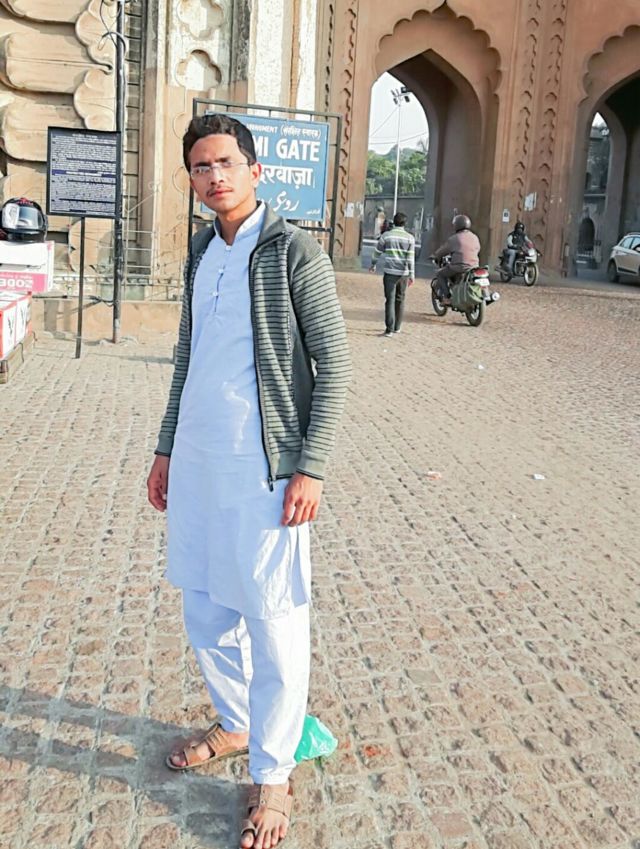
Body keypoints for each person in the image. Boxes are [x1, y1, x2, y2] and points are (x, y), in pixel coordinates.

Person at [146, 113, 350, 849]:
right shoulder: (203, 251)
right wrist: (165, 448)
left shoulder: (294, 252)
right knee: (204, 610)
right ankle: (237, 721)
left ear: (255, 170)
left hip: (266, 469)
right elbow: (186, 358)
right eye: (200, 167)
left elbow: (335, 364)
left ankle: (273, 771)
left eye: (225, 162)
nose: (214, 177)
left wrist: (311, 465)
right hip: (198, 464)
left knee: (273, 620)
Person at [369, 211, 415, 337]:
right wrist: (412, 274)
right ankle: (397, 327)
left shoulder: (386, 236)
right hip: (403, 274)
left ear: (394, 222)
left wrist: (373, 264)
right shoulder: (410, 238)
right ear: (405, 223)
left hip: (389, 272)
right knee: (400, 299)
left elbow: (377, 252)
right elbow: (410, 258)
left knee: (390, 299)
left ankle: (389, 329)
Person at [433, 214, 481, 303]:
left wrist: (436, 255)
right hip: (474, 267)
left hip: (459, 267)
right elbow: (478, 249)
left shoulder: (454, 239)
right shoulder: (475, 237)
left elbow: (443, 250)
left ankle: (447, 297)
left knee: (440, 274)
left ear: (456, 225)